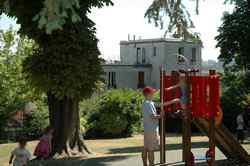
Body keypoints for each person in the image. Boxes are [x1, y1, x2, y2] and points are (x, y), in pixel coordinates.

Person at [141, 86, 179, 166]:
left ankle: (145, 164)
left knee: (145, 148)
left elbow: (161, 104)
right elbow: (153, 116)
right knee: (151, 149)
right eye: (152, 93)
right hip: (152, 129)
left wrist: (172, 101)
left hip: (147, 129)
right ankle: (151, 164)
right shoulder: (148, 104)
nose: (153, 94)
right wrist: (161, 116)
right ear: (148, 94)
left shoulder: (147, 102)